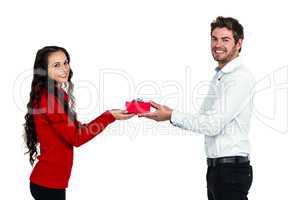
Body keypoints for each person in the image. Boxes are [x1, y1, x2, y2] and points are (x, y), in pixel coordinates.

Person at [139, 16, 255, 200]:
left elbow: (211, 125)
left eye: (225, 40)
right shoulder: (220, 76)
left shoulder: (238, 78)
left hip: (231, 172)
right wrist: (169, 113)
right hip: (217, 170)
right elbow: (203, 119)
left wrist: (171, 115)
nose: (218, 45)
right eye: (214, 38)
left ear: (239, 43)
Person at [23, 46, 134, 200]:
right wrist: (109, 117)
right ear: (43, 70)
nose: (64, 69)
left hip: (52, 182)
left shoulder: (56, 93)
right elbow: (76, 138)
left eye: (65, 63)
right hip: (48, 184)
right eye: (56, 65)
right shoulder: (48, 99)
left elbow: (70, 129)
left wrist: (110, 115)